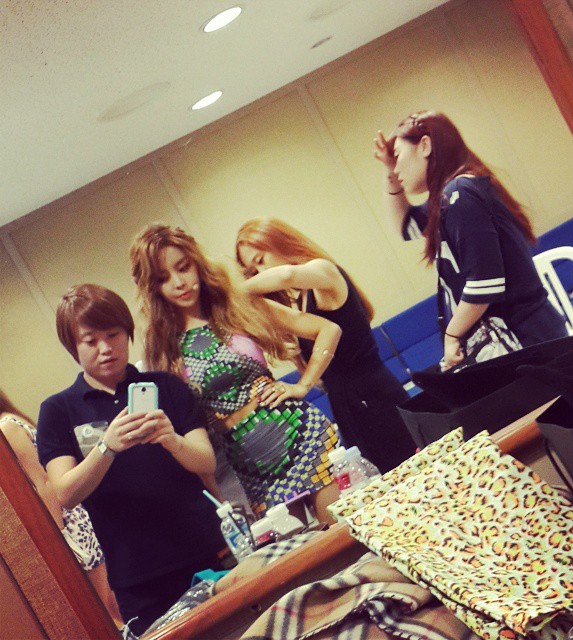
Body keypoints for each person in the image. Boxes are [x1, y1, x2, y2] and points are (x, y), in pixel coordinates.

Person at [36, 284, 226, 637]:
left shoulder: (166, 387)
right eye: (90, 341)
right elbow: (65, 493)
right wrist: (106, 447)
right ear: (73, 347)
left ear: (127, 333)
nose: (105, 348)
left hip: (206, 548)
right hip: (138, 578)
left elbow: (206, 463)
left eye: (113, 334)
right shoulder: (58, 410)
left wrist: (172, 441)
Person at [129, 224, 342, 523]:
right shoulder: (163, 349)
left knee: (342, 537)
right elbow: (187, 432)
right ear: (152, 288)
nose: (179, 283)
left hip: (304, 437)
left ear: (196, 262)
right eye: (163, 278)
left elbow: (328, 330)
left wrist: (303, 385)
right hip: (251, 468)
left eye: (184, 267)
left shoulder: (237, 306)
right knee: (299, 550)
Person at [374, 110, 567, 370]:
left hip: (527, 340)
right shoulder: (452, 195)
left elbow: (484, 285)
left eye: (397, 156)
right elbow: (405, 227)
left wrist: (452, 334)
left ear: (425, 145)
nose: (396, 169)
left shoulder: (459, 194)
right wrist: (388, 168)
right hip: (525, 337)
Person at [235, 217, 416, 473]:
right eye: (253, 271)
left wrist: (232, 293)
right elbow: (324, 375)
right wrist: (295, 357)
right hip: (344, 405)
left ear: (280, 243)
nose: (260, 274)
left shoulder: (323, 270)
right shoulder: (301, 299)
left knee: (409, 471)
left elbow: (287, 274)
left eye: (261, 260)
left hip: (373, 396)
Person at [0, 388, 122, 624]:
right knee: (105, 609)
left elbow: (43, 483)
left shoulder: (6, 428)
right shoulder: (10, 421)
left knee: (102, 613)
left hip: (67, 524)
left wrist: (55, 537)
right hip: (69, 519)